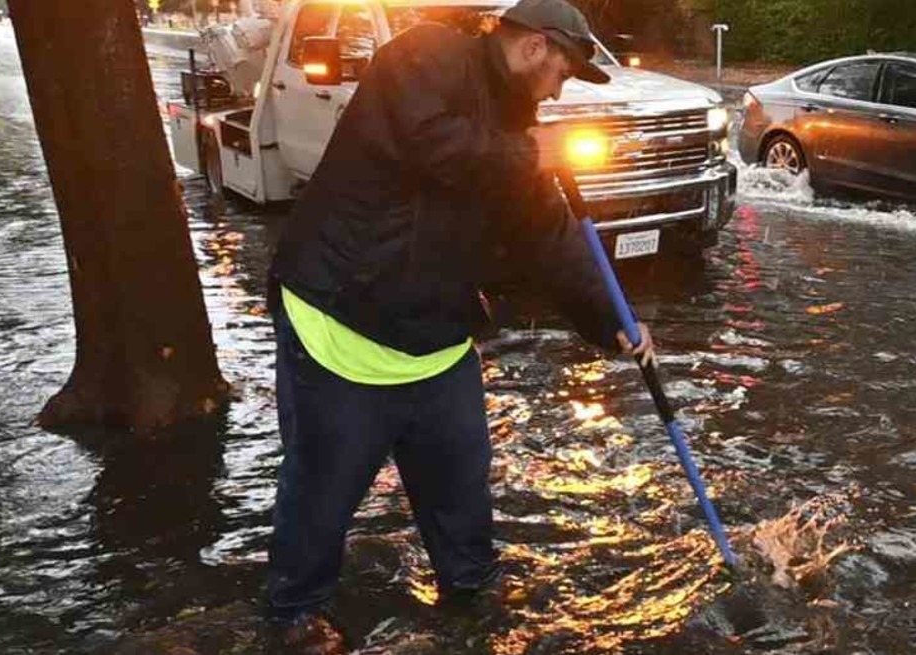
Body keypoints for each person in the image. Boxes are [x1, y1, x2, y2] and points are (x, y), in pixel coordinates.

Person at [263, 0, 655, 652]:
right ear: (535, 47)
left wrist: (613, 319)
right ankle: (292, 614)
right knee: (321, 490)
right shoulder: (428, 55)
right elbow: (430, 143)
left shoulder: (519, 133)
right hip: (338, 323)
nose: (559, 91)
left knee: (460, 488)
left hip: (436, 342)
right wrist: (529, 153)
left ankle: (472, 592)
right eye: (562, 73)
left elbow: (550, 238)